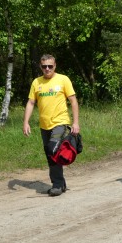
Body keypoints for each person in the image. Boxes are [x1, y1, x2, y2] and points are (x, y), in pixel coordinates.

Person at [23, 54, 80, 197]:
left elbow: (73, 101)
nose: (47, 69)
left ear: (55, 65)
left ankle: (57, 185)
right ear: (40, 67)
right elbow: (31, 103)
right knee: (51, 154)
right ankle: (61, 183)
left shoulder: (63, 79)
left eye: (50, 66)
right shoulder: (37, 82)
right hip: (44, 125)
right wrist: (26, 122)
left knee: (52, 148)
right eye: (44, 66)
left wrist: (75, 122)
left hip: (60, 122)